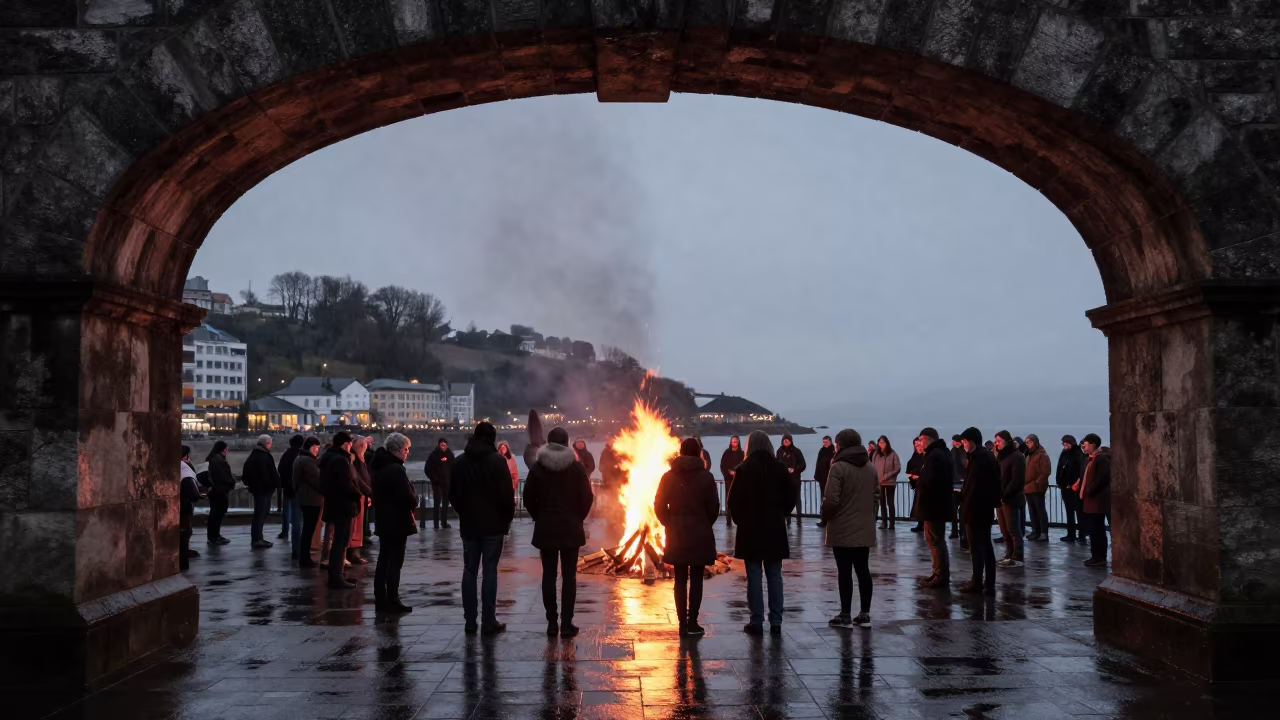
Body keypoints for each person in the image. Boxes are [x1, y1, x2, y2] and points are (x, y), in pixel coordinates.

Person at [523, 427, 594, 638]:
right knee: (569, 577)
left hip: (546, 527)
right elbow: (587, 497)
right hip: (571, 528)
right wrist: (578, 517)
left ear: (548, 443)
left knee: (549, 576)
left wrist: (539, 516)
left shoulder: (538, 468)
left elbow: (528, 497)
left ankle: (552, 623)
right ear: (566, 443)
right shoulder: (576, 468)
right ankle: (566, 624)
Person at [450, 422, 516, 634]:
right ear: (492, 438)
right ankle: (489, 620)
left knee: (469, 571)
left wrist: (464, 512)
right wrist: (506, 520)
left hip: (469, 525)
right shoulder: (497, 461)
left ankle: (470, 621)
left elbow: (453, 495)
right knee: (490, 572)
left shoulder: (460, 461)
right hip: (493, 526)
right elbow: (507, 496)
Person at [728, 431, 795, 636]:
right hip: (774, 529)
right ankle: (776, 621)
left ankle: (756, 620)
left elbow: (732, 502)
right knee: (775, 576)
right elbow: (790, 498)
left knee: (754, 576)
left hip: (751, 530)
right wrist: (781, 515)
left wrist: (742, 521)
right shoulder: (780, 468)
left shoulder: (743, 469)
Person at [655, 437, 720, 637]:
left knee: (680, 579)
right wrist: (703, 522)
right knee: (697, 578)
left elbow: (658, 505)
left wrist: (669, 522)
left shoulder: (668, 476)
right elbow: (714, 508)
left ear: (681, 452)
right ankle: (693, 622)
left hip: (677, 533)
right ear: (698, 452)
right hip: (700, 532)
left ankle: (682, 623)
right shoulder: (706, 477)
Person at [821, 429, 878, 627]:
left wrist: (825, 516)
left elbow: (831, 500)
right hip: (864, 526)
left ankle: (845, 614)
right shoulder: (870, 466)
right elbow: (876, 496)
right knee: (863, 570)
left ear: (840, 446)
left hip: (842, 527)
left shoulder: (838, 468)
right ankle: (865, 614)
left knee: (844, 571)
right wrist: (868, 516)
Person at [372, 433, 417, 613]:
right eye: (406, 450)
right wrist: (414, 500)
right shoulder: (396, 469)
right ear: (397, 450)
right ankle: (392, 598)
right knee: (395, 562)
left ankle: (380, 597)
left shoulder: (378, 467)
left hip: (383, 519)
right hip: (397, 521)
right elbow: (405, 497)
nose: (407, 453)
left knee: (383, 560)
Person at [958, 427, 1001, 595]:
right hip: (976, 508)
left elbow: (980, 486)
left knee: (981, 546)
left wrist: (966, 498)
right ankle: (981, 580)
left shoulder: (982, 459)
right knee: (979, 546)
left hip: (978, 509)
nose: (964, 445)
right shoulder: (979, 457)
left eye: (965, 442)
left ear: (973, 441)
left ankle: (982, 582)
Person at [319, 432, 361, 589]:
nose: (351, 446)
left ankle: (337, 574)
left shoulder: (330, 458)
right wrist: (358, 493)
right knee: (340, 540)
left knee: (339, 539)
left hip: (334, 503)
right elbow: (346, 484)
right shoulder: (340, 460)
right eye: (350, 443)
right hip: (342, 505)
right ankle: (336, 576)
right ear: (345, 444)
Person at [915, 429, 954, 589]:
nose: (920, 443)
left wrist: (921, 484)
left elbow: (933, 481)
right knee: (935, 540)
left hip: (933, 506)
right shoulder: (940, 453)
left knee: (935, 540)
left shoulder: (935, 456)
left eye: (921, 439)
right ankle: (937, 571)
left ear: (929, 440)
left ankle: (941, 574)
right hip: (936, 505)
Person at [1075, 434, 1111, 567]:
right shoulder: (1089, 459)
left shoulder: (1100, 460)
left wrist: (1089, 491)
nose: (1084, 446)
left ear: (1093, 445)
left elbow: (1102, 479)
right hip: (1090, 499)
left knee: (1098, 529)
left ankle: (1100, 557)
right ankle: (1094, 556)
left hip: (1097, 499)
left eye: (1086, 443)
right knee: (1093, 529)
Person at [241, 435, 280, 548]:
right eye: (270, 443)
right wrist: (274, 484)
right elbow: (270, 473)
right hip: (263, 490)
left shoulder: (254, 455)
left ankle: (258, 537)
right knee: (260, 514)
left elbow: (245, 474)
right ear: (267, 443)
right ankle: (257, 539)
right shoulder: (264, 456)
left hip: (259, 489)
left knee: (260, 514)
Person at [994, 430, 1026, 567]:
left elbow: (1017, 480)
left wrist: (1005, 494)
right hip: (999, 498)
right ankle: (1009, 554)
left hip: (1011, 499)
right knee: (1004, 529)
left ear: (1007, 441)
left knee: (1013, 529)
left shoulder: (1017, 456)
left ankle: (1017, 556)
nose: (997, 444)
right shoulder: (1000, 456)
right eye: (996, 441)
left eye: (999, 441)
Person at [293, 437, 324, 566]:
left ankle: (304, 556)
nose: (318, 451)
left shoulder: (299, 458)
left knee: (307, 528)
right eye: (317, 448)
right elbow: (317, 480)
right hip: (311, 499)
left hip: (305, 498)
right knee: (308, 529)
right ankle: (305, 558)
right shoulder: (307, 461)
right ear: (312, 447)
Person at [348, 436, 373, 566]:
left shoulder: (360, 459)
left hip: (363, 496)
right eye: (364, 446)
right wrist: (369, 492)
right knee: (355, 527)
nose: (366, 448)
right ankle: (353, 553)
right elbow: (357, 479)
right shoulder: (355, 459)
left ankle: (355, 552)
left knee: (359, 526)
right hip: (358, 496)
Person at [1057, 435, 1086, 543]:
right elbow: (1060, 468)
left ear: (1072, 443)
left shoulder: (1078, 454)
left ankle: (1082, 535)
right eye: (1064, 444)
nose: (1065, 446)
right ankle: (1071, 534)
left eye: (1067, 444)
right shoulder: (1064, 454)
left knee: (1079, 512)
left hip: (1075, 488)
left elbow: (1081, 471)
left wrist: (1077, 483)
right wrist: (1059, 481)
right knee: (1069, 512)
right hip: (1065, 487)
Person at [1023, 434, 1051, 541]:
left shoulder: (1042, 455)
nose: (1027, 444)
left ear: (1035, 442)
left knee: (1040, 510)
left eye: (1029, 442)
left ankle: (1044, 533)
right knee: (1032, 510)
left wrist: (1038, 482)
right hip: (1027, 487)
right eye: (1026, 442)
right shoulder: (1029, 454)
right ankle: (1036, 530)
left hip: (1037, 487)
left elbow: (1045, 471)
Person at [179, 446, 203, 571]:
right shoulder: (185, 468)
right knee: (185, 533)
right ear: (185, 456)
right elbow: (193, 492)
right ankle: (183, 563)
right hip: (184, 506)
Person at [205, 441, 233, 545]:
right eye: (225, 449)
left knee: (215, 514)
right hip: (219, 491)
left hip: (216, 491)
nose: (227, 451)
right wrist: (231, 483)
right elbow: (224, 477)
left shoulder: (214, 459)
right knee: (217, 514)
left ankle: (215, 535)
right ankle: (214, 537)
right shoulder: (218, 461)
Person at [277, 434, 303, 542]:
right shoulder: (301, 455)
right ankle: (296, 541)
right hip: (297, 488)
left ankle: (284, 531)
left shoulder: (286, 454)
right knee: (297, 515)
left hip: (287, 486)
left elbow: (280, 468)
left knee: (286, 510)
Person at [776, 434, 806, 525]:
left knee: (797, 499)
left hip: (795, 479)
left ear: (791, 441)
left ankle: (799, 518)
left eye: (788, 440)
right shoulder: (779, 452)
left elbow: (803, 464)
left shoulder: (797, 451)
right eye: (785, 440)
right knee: (785, 499)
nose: (786, 441)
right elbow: (776, 464)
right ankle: (787, 518)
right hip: (784, 480)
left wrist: (795, 469)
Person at [872, 436, 900, 529]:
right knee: (882, 503)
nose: (881, 445)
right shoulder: (876, 454)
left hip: (890, 483)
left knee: (890, 503)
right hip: (879, 483)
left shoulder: (893, 454)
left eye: (883, 443)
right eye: (880, 443)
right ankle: (884, 522)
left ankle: (892, 523)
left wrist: (887, 476)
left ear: (887, 443)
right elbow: (872, 466)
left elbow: (897, 468)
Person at [426, 438, 455, 529]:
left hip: (447, 483)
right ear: (439, 445)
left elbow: (454, 468)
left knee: (445, 503)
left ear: (447, 445)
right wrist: (435, 479)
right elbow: (427, 469)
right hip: (437, 484)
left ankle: (444, 522)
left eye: (444, 444)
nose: (443, 445)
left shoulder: (450, 455)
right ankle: (436, 523)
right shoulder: (433, 455)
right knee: (437, 503)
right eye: (441, 444)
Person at [719, 436, 745, 526]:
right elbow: (723, 465)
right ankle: (728, 520)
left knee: (740, 500)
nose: (735, 443)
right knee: (728, 500)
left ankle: (740, 519)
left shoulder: (742, 453)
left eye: (736, 442)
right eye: (733, 442)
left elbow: (744, 465)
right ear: (730, 442)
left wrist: (738, 473)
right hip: (729, 480)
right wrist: (728, 473)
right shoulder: (727, 453)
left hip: (739, 480)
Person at [905, 436, 926, 533]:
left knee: (923, 506)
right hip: (917, 485)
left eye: (918, 444)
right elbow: (909, 467)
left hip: (925, 485)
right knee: (919, 506)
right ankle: (920, 524)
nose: (917, 446)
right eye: (915, 445)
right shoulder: (914, 456)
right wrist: (911, 476)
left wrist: (918, 475)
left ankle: (924, 525)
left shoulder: (925, 456)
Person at [814, 436, 835, 528]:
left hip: (831, 479)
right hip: (822, 479)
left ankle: (832, 520)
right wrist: (817, 476)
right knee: (823, 500)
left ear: (830, 442)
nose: (824, 444)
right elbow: (818, 463)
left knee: (830, 500)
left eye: (826, 442)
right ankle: (823, 520)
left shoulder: (833, 451)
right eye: (823, 442)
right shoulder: (821, 451)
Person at [950, 435, 967, 542]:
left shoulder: (963, 452)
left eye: (957, 441)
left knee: (962, 510)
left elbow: (964, 464)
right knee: (953, 510)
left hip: (962, 483)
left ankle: (961, 531)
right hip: (953, 483)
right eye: (954, 441)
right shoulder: (953, 451)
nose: (955, 443)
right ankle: (955, 531)